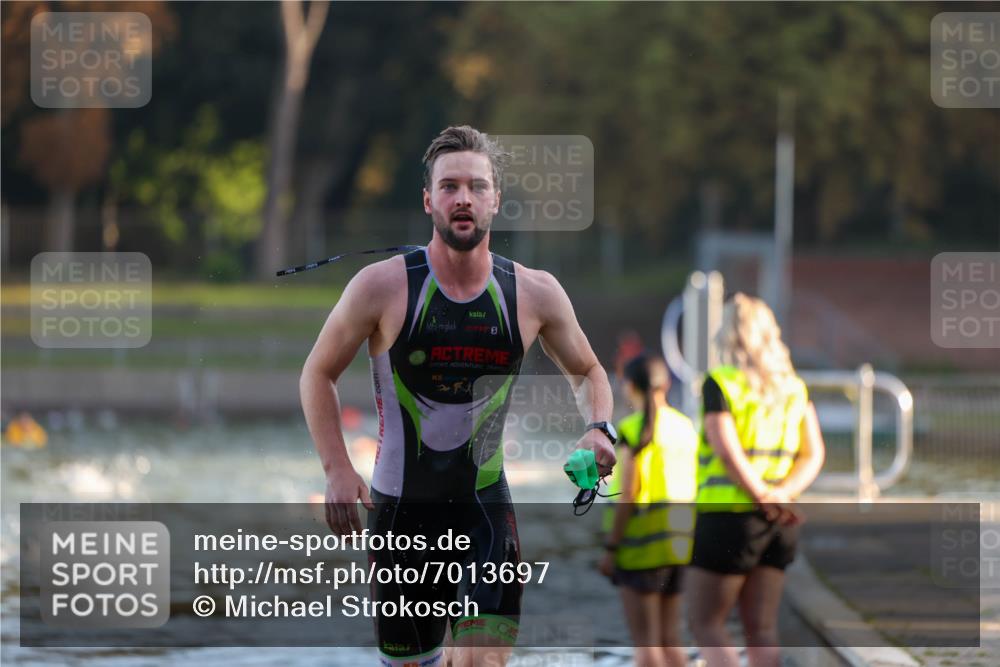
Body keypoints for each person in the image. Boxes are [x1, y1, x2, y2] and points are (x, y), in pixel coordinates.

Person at [299, 125, 616, 667]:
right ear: (429, 201)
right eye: (449, 186)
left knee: (481, 661)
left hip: (483, 511)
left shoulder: (534, 292)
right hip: (400, 517)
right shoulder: (382, 286)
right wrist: (336, 468)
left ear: (496, 200)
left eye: (476, 186)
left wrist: (598, 427)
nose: (463, 197)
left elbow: (588, 371)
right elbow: (317, 373)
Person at [687, 293, 826, 667]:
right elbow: (813, 454)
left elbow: (726, 451)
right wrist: (782, 494)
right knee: (761, 628)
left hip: (729, 518)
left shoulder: (720, 383)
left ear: (728, 335)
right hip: (780, 520)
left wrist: (762, 494)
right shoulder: (793, 387)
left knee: (705, 623)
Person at [600, 353, 698, 667]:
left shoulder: (631, 429)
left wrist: (611, 548)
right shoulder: (685, 427)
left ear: (630, 386)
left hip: (640, 547)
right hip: (681, 545)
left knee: (646, 644)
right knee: (671, 639)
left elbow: (628, 494)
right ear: (665, 384)